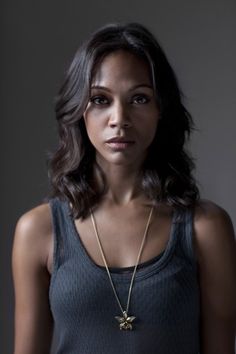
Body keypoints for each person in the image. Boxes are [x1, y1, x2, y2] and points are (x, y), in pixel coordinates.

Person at [12, 23, 236, 354]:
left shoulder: (205, 228)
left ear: (162, 110)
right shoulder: (39, 230)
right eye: (100, 99)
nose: (120, 118)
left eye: (140, 99)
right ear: (79, 111)